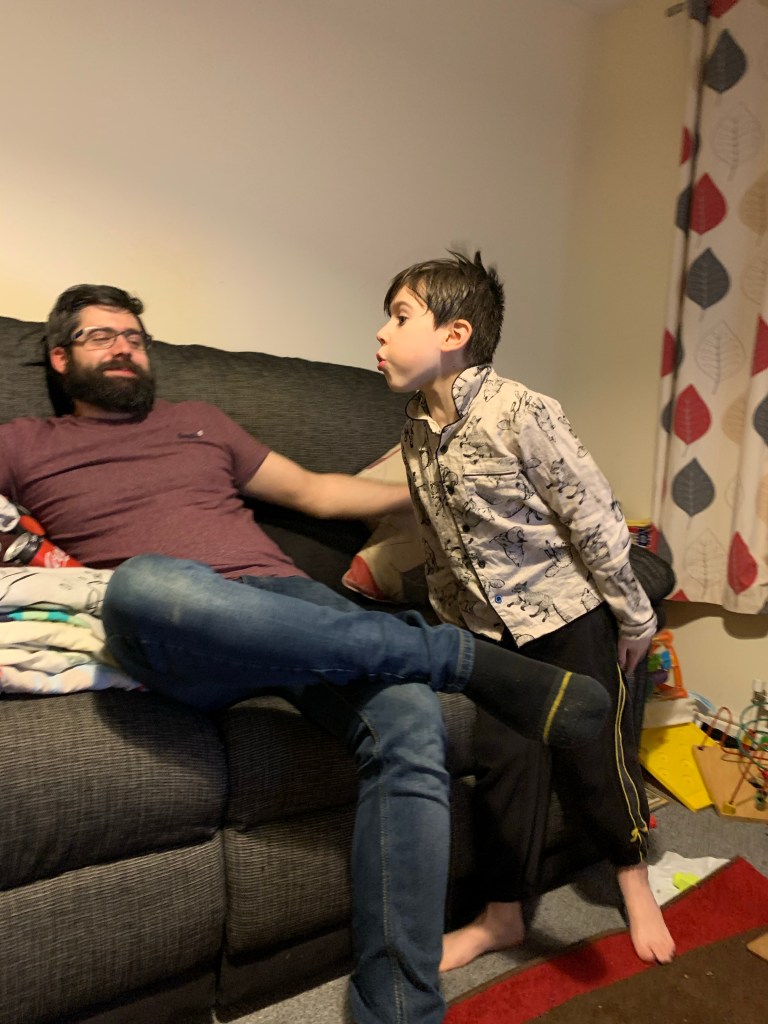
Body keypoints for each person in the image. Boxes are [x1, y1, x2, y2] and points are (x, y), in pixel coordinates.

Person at [0, 284, 610, 1024]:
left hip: (289, 606)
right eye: (102, 336)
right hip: (173, 624)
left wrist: (440, 486)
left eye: (135, 336)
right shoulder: (23, 441)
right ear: (60, 358)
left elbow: (320, 494)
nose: (125, 347)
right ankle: (457, 658)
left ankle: (398, 1008)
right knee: (143, 583)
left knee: (410, 723)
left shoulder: (201, 422)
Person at [375, 251, 676, 969]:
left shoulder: (522, 410)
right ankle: (502, 916)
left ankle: (633, 879)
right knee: (505, 767)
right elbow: (440, 540)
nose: (381, 334)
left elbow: (593, 518)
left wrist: (635, 618)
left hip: (567, 617)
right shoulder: (415, 429)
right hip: (488, 634)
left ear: (455, 333)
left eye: (400, 317)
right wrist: (450, 630)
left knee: (596, 759)